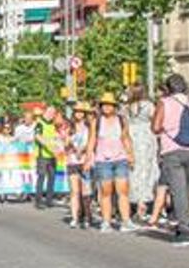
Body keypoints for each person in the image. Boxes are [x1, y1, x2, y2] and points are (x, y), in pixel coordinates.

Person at [152, 74, 189, 246]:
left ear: (168, 89)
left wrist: (165, 128)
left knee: (177, 189)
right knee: (188, 187)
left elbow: (155, 127)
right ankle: (181, 219)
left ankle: (183, 229)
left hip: (172, 150)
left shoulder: (164, 103)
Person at [87, 93, 135, 231]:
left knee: (123, 191)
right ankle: (106, 222)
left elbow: (126, 138)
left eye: (110, 105)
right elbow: (92, 140)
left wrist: (131, 154)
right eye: (104, 105)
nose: (107, 107)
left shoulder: (121, 120)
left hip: (120, 158)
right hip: (103, 160)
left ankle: (126, 221)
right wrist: (88, 158)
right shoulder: (96, 121)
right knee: (106, 191)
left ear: (114, 107)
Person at [125, 85, 158, 221]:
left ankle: (135, 200)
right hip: (146, 136)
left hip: (132, 136)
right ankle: (144, 201)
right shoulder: (149, 106)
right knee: (146, 169)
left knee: (133, 171)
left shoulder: (127, 108)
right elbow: (155, 120)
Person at [65, 101, 93, 229]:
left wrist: (83, 150)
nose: (79, 114)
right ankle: (75, 217)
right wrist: (69, 143)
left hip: (85, 161)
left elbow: (92, 142)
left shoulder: (89, 126)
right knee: (74, 191)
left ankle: (87, 215)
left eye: (81, 112)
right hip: (72, 161)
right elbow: (65, 144)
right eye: (77, 111)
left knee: (86, 191)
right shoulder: (69, 127)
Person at [33, 104, 60, 208]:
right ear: (45, 112)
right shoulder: (39, 124)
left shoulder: (52, 125)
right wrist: (50, 147)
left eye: (53, 113)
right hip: (42, 155)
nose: (51, 115)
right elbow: (38, 137)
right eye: (50, 112)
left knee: (52, 178)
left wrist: (58, 145)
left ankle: (49, 200)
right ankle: (38, 201)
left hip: (52, 156)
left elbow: (55, 137)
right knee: (41, 177)